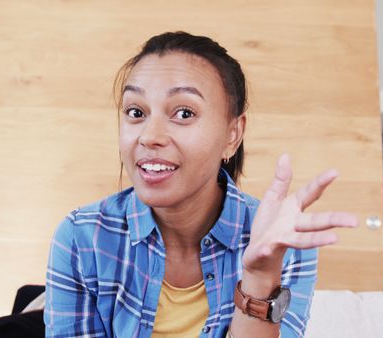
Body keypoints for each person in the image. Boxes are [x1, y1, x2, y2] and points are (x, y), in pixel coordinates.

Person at [44, 31, 358, 338]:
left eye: (183, 113)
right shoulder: (81, 237)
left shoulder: (282, 243)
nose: (150, 136)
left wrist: (260, 278)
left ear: (232, 134)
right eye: (135, 112)